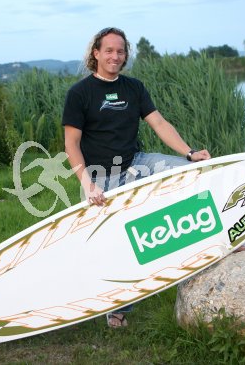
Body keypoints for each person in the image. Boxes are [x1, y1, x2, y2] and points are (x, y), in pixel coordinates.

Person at [62, 27, 211, 328]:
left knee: (192, 172)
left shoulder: (134, 87)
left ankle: (208, 242)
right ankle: (118, 308)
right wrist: (87, 185)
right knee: (117, 246)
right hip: (100, 178)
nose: (115, 56)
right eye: (109, 50)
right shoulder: (80, 93)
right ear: (96, 53)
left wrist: (189, 152)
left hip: (136, 165)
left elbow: (158, 122)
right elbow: (71, 144)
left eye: (120, 51)